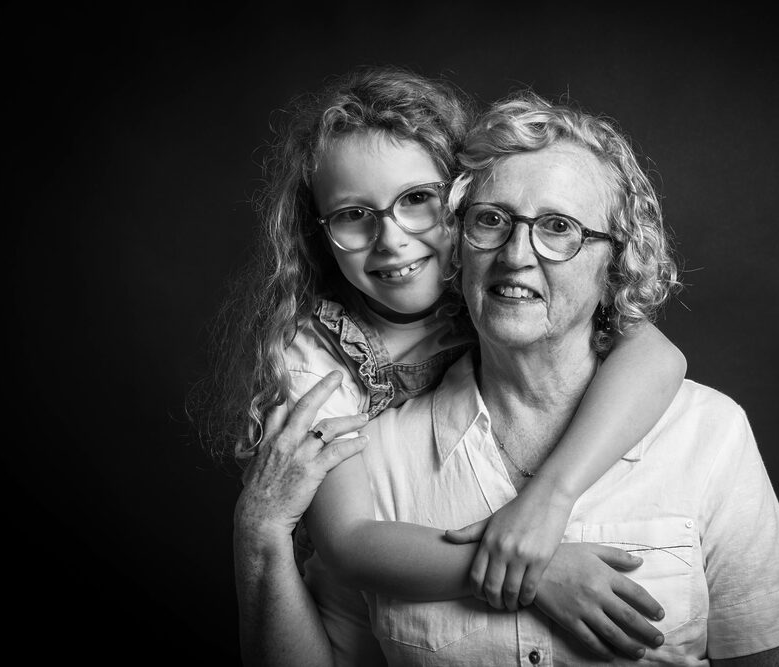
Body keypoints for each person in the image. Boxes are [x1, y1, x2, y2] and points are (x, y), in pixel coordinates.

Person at [307, 90, 779, 665]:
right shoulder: (373, 457)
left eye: (559, 227)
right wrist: (259, 540)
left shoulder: (708, 434)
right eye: (492, 220)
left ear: (616, 263)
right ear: (458, 247)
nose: (517, 254)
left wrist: (550, 498)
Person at [192, 65, 687, 664]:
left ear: (465, 201)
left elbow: (656, 353)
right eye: (354, 214)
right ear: (318, 233)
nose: (392, 239)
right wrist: (534, 569)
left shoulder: (488, 287)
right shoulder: (313, 355)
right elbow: (350, 544)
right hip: (365, 582)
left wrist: (547, 500)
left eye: (418, 201)